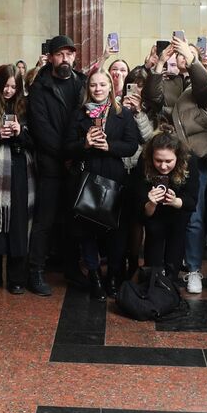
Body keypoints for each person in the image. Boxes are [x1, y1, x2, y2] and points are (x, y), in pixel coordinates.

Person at [143, 36, 207, 294]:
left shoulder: (199, 85)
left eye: (183, 54)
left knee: (193, 216)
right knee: (164, 212)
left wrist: (194, 60)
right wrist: (160, 63)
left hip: (193, 158)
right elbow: (152, 96)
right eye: (177, 55)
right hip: (166, 155)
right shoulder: (168, 81)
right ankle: (164, 268)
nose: (180, 58)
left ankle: (194, 269)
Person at [66, 66, 141, 300]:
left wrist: (110, 147)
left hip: (114, 176)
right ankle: (95, 276)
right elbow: (66, 147)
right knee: (86, 230)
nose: (97, 88)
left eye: (102, 84)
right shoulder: (78, 114)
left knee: (115, 232)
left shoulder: (122, 113)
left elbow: (132, 144)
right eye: (93, 85)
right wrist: (85, 145)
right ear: (87, 88)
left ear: (110, 86)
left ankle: (112, 278)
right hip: (86, 176)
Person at [26, 35, 85, 295]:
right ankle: (35, 271)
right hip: (51, 163)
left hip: (76, 163)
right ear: (50, 57)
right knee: (44, 220)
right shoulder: (40, 87)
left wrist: (77, 151)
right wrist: (67, 153)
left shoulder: (82, 84)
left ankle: (72, 269)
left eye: (69, 54)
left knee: (74, 220)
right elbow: (41, 129)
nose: (65, 59)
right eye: (60, 54)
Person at [0, 64, 35, 293]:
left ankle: (16, 277)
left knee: (18, 223)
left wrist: (20, 133)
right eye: (5, 85)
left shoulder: (27, 106)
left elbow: (36, 142)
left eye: (14, 86)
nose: (9, 90)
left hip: (21, 167)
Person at [132, 130, 199, 285]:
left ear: (178, 157)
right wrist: (151, 203)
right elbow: (141, 211)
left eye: (168, 161)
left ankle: (170, 288)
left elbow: (191, 201)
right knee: (153, 257)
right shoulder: (144, 162)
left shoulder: (190, 160)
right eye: (158, 160)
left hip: (178, 212)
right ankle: (152, 289)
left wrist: (175, 201)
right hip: (153, 214)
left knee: (174, 252)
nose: (163, 166)